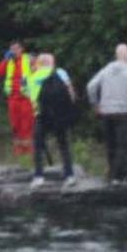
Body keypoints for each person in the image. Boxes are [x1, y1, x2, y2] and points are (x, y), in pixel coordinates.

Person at [87, 44, 127, 182]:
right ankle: (118, 176)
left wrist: (95, 104)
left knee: (110, 145)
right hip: (125, 112)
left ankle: (111, 174)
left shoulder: (105, 70)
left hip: (106, 112)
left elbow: (91, 86)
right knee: (123, 145)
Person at [28, 53, 78, 182]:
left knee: (38, 146)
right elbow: (71, 95)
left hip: (42, 116)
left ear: (39, 63)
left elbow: (32, 99)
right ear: (52, 62)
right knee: (63, 145)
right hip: (59, 116)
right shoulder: (61, 73)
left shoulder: (33, 77)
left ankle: (38, 176)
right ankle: (69, 175)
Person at [0, 41, 36, 158]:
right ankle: (18, 151)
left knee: (27, 123)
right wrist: (5, 60)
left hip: (26, 97)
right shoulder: (9, 61)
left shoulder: (28, 59)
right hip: (12, 98)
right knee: (15, 124)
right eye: (12, 49)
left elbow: (39, 72)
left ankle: (29, 151)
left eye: (16, 48)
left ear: (22, 49)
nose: (14, 51)